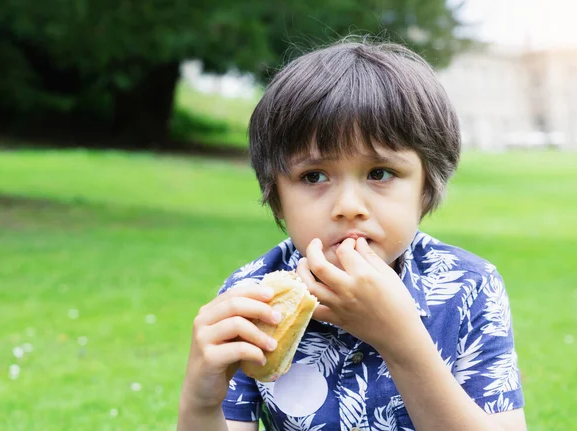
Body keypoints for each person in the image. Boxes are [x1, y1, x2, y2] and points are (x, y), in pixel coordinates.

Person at [177, 39, 527, 431]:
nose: (348, 205)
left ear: (426, 187)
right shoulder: (254, 297)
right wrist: (201, 402)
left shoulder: (470, 288)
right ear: (276, 195)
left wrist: (402, 342)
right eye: (314, 176)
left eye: (379, 173)